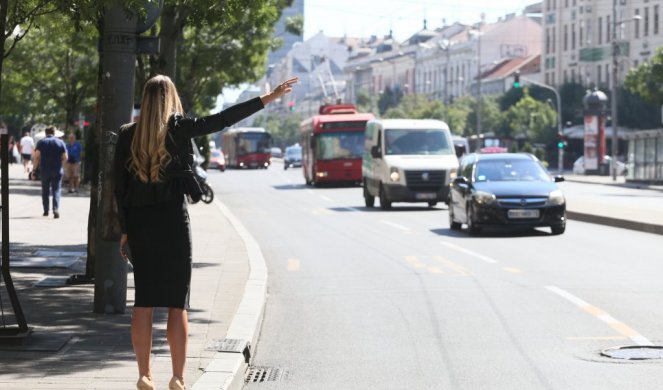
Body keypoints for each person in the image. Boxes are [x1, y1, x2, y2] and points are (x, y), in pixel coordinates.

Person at [113, 74, 297, 390]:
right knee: (176, 302)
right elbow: (221, 120)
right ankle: (178, 377)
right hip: (172, 222)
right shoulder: (180, 129)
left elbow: (119, 188)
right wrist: (266, 99)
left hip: (140, 225)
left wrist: (126, 232)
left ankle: (144, 374)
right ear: (170, 98)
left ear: (144, 100)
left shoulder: (126, 136)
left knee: (143, 301)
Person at [32, 126, 67, 218]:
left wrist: (34, 170)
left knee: (45, 190)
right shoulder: (60, 142)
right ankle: (55, 209)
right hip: (57, 170)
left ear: (45, 133)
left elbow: (36, 157)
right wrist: (60, 164)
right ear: (54, 133)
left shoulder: (41, 142)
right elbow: (65, 157)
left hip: (44, 170)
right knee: (56, 190)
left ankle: (46, 211)